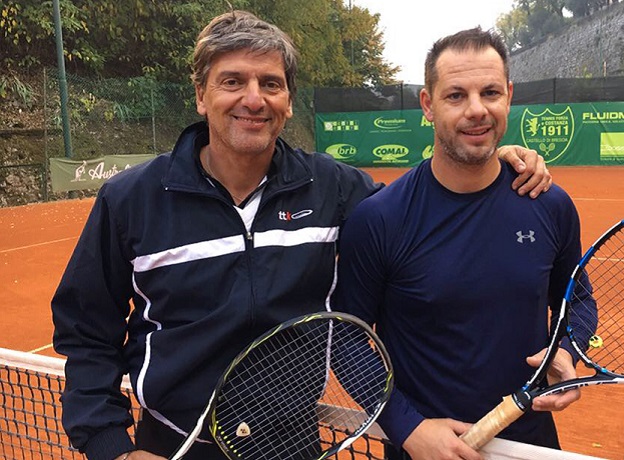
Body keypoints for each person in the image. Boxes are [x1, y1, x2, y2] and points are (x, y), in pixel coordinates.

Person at [51, 11, 551, 460]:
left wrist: (498, 161)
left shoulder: (335, 188)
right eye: (232, 81)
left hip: (293, 446)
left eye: (270, 83)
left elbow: (420, 209)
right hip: (173, 444)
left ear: (288, 101)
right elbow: (86, 331)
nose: (254, 98)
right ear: (202, 95)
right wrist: (112, 447)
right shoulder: (130, 200)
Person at [335, 27, 596, 460]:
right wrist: (408, 428)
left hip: (529, 444)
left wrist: (568, 349)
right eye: (456, 95)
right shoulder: (379, 218)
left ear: (508, 96)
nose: (477, 110)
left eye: (490, 92)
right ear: (427, 105)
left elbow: (578, 298)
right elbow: (345, 340)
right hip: (424, 449)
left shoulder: (550, 205)